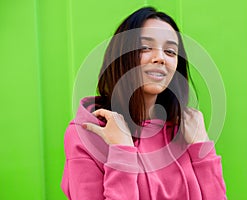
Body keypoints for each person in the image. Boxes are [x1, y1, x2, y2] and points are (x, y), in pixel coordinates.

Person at [61, 7, 227, 200]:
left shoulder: (185, 129)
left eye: (170, 52)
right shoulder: (88, 134)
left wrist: (202, 149)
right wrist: (122, 152)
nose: (160, 58)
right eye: (145, 48)